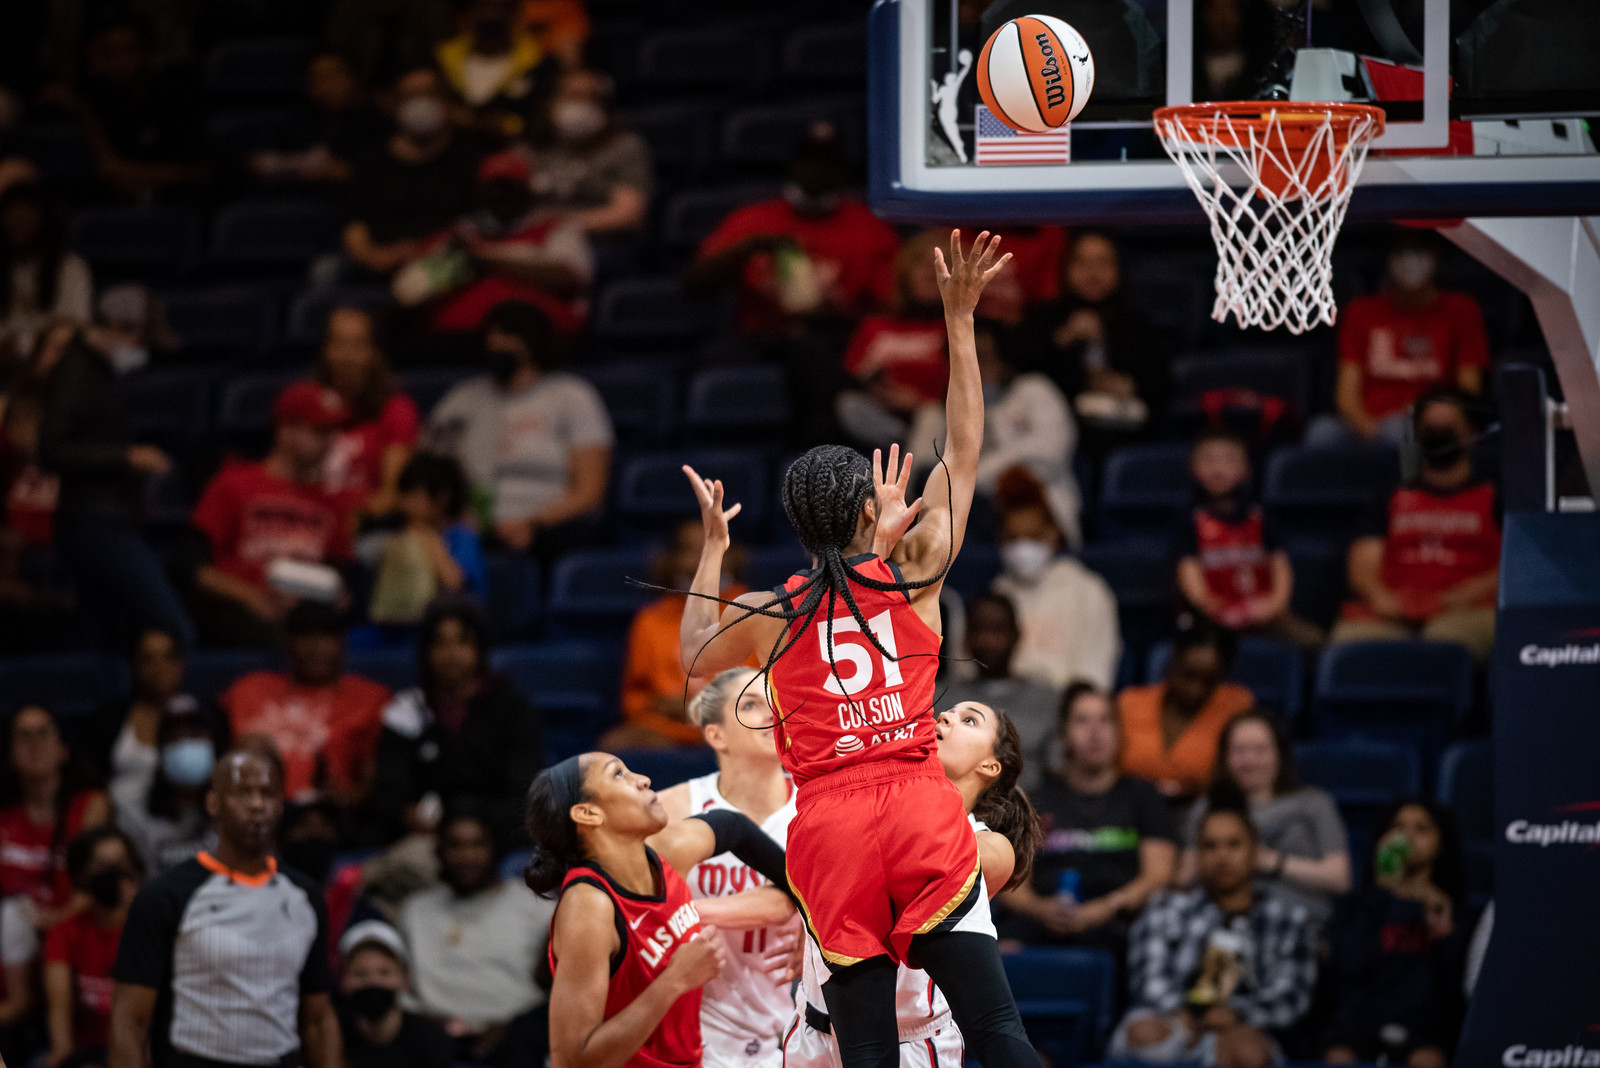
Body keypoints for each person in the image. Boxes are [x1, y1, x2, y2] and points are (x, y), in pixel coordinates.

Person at [677, 231, 1043, 1068]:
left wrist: (713, 550)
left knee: (865, 1053)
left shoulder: (771, 612)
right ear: (870, 509)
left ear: (798, 524)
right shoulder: (915, 575)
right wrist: (959, 321)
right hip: (916, 805)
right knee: (998, 1031)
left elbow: (693, 656)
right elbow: (963, 451)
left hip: (830, 823)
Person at [774, 700, 1041, 1068]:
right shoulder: (871, 807)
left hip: (911, 1043)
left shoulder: (991, 845)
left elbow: (917, 851)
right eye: (948, 711)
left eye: (969, 720)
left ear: (989, 766)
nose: (945, 716)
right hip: (812, 1032)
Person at [524, 751, 794, 1068]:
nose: (643, 779)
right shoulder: (589, 906)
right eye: (618, 774)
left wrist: (810, 917)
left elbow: (733, 826)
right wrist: (674, 980)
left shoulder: (667, 851)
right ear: (588, 813)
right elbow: (573, 1060)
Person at [107, 747, 341, 1068]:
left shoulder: (304, 896)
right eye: (242, 793)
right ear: (213, 803)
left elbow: (317, 1021)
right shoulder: (167, 895)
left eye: (267, 794)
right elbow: (129, 1021)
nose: (257, 804)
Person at [657, 668, 800, 1068]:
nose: (771, 713)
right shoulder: (671, 809)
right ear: (716, 735)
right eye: (751, 705)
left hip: (793, 1021)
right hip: (696, 1021)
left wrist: (816, 928)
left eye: (776, 703)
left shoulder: (817, 804)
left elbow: (800, 900)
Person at [1111, 803, 1316, 1068]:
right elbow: (1149, 985)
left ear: (1254, 851)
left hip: (1244, 1027)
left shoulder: (1287, 919)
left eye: (1233, 845)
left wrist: (1236, 1014)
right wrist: (1193, 1013)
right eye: (1210, 846)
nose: (1222, 856)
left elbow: (1290, 998)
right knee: (1144, 1032)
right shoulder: (1165, 908)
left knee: (1248, 1052)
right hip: (1172, 1024)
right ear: (1197, 854)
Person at [39, 328, 193, 649]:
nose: (138, 347)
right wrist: (126, 456)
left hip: (109, 518)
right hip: (96, 523)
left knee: (104, 641)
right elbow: (52, 451)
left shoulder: (101, 377)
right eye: (135, 335)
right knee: (174, 630)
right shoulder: (76, 372)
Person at [997, 683, 1175, 958]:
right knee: (1004, 948)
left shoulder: (1143, 796)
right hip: (1042, 921)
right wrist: (1040, 909)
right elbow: (1010, 884)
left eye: (1105, 720)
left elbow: (1158, 876)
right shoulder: (1036, 799)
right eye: (1082, 721)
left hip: (1119, 922)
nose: (1095, 732)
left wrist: (1105, 907)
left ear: (1119, 731)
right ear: (1063, 735)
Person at [424, 301, 612, 559]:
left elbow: (590, 492)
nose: (496, 343)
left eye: (508, 335)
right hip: (468, 527)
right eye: (491, 335)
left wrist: (534, 523)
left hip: (549, 527)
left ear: (533, 341)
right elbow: (426, 470)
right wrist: (455, 518)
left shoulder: (571, 396)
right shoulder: (462, 399)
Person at [1330, 388, 1500, 661]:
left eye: (1446, 428)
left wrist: (1467, 595)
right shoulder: (1392, 495)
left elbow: (1515, 567)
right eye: (1429, 429)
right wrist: (1381, 598)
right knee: (1348, 643)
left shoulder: (1496, 496)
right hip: (1395, 611)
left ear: (1471, 433)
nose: (1437, 436)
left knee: (1443, 642)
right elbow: (1363, 564)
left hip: (1468, 611)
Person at [686, 125, 898, 337]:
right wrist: (747, 248)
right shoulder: (752, 221)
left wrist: (835, 310)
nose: (817, 170)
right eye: (809, 160)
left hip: (838, 340)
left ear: (842, 169)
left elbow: (894, 304)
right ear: (793, 163)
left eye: (828, 162)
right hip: (761, 340)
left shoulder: (871, 228)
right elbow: (693, 283)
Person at [363, 598, 544, 846]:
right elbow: (387, 795)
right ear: (426, 652)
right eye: (440, 643)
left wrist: (474, 823)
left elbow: (524, 794)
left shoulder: (513, 712)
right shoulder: (406, 711)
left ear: (480, 649)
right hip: (423, 843)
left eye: (462, 642)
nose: (451, 654)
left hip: (495, 841)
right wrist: (407, 815)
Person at [191, 381, 355, 649]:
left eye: (332, 432)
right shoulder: (233, 484)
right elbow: (193, 569)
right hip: (241, 615)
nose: (329, 441)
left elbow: (338, 572)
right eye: (319, 431)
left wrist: (338, 596)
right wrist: (251, 597)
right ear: (285, 432)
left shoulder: (331, 502)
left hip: (305, 619)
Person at [395, 802, 552, 1063]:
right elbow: (395, 984)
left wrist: (513, 1026)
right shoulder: (415, 911)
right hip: (431, 1038)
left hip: (517, 1038)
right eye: (455, 845)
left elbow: (562, 989)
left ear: (495, 848)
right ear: (438, 851)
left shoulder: (538, 908)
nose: (467, 856)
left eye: (478, 844)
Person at [1310, 231, 1489, 448]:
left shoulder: (1461, 310)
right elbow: (1346, 397)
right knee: (1321, 432)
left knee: (1399, 431)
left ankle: (1406, 465)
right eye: (1402, 250)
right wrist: (1373, 434)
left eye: (1418, 249)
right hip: (1368, 424)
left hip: (1429, 427)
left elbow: (1468, 391)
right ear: (1389, 257)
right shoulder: (1361, 311)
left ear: (1435, 254)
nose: (1409, 259)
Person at [1322, 800, 1466, 1068]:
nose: (1407, 836)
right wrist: (1383, 891)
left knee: (1429, 1061)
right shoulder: (1356, 906)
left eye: (1421, 829)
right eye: (1397, 827)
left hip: (1424, 1030)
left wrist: (1443, 932)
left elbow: (1454, 991)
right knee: (1339, 1057)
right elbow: (1347, 968)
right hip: (1359, 1025)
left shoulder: (1449, 908)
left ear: (1440, 844)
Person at [1177, 711, 1351, 929]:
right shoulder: (1206, 808)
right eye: (1239, 751)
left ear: (1280, 754)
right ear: (1224, 756)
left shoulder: (1313, 802)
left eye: (1260, 750)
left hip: (1299, 919)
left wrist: (1273, 862)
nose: (1249, 760)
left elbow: (1341, 879)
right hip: (1220, 921)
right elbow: (1186, 877)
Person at [396, 150, 593, 336]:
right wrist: (447, 263)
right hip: (454, 339)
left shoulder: (554, 228)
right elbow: (407, 287)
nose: (500, 196)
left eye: (508, 188)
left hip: (532, 339)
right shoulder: (460, 233)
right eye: (493, 188)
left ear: (526, 191)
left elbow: (568, 278)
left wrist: (485, 261)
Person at [221, 601, 390, 805]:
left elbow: (374, 783)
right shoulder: (248, 689)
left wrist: (348, 801)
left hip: (327, 813)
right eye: (305, 635)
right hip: (252, 809)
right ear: (287, 641)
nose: (316, 647)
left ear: (343, 642)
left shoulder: (369, 698)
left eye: (327, 635)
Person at [1018, 230, 1170, 452]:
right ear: (1066, 267)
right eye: (1082, 262)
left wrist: (1131, 385)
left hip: (1123, 429)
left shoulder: (1136, 322)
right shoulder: (1044, 317)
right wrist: (1063, 339)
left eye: (1102, 263)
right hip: (1060, 429)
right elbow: (1022, 375)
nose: (1092, 273)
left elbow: (1163, 383)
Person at [1175, 428, 1321, 647]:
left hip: (1264, 614)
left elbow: (1280, 565)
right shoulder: (1188, 518)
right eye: (1209, 460)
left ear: (1245, 469)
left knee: (1313, 641)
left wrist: (1273, 605)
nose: (1218, 469)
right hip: (1211, 620)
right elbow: (1189, 573)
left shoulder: (1261, 514)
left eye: (1229, 460)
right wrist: (1208, 605)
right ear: (1193, 467)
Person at [612, 521, 748, 749]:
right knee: (616, 745)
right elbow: (636, 697)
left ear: (733, 556)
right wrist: (667, 708)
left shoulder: (753, 613)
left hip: (735, 728)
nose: (702, 560)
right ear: (672, 560)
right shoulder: (650, 620)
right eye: (690, 550)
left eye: (713, 549)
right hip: (667, 729)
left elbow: (761, 691)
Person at [342, 67, 480, 279]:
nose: (420, 103)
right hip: (379, 269)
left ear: (447, 102)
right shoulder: (371, 161)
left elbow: (476, 227)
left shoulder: (470, 160)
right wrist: (373, 257)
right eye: (411, 96)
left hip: (446, 267)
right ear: (395, 104)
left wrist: (427, 251)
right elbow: (355, 226)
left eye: (429, 94)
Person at [990, 466, 1120, 689]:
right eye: (1013, 538)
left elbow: (1096, 674)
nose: (1023, 547)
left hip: (1066, 704)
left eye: (1032, 536)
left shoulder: (1087, 590)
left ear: (1052, 534)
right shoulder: (996, 595)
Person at [834, 230, 954, 453]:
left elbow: (974, 386)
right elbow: (851, 379)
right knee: (848, 405)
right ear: (906, 273)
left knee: (931, 417)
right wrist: (880, 393)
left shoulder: (960, 326)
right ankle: (907, 444)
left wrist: (919, 402)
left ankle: (915, 467)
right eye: (923, 264)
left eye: (942, 265)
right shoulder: (876, 325)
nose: (931, 272)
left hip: (938, 415)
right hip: (885, 419)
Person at [83, 629, 219, 818]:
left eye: (168, 657)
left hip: (190, 826)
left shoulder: (207, 716)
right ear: (133, 665)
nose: (159, 667)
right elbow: (90, 779)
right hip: (120, 827)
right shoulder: (108, 719)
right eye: (148, 658)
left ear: (181, 663)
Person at [1117, 619, 1254, 803]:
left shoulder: (1236, 707)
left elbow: (1239, 777)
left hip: (1201, 810)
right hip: (1129, 808)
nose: (1195, 690)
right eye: (1188, 675)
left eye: (1209, 681)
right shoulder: (1130, 703)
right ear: (1173, 660)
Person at [74, 15, 209, 201]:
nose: (120, 60)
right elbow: (108, 170)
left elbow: (196, 172)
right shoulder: (95, 99)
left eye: (129, 50)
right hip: (117, 203)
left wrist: (134, 175)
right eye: (110, 52)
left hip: (178, 201)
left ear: (148, 52)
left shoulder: (177, 94)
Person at [0, 705, 111, 925]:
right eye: (24, 736)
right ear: (10, 755)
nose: (35, 744)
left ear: (63, 750)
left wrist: (48, 923)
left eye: (44, 733)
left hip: (72, 931)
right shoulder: (4, 815)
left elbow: (94, 889)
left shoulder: (92, 806)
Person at [45, 826, 144, 1067]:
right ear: (81, 875)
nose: (115, 874)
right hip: (84, 1055)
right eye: (103, 866)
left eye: (121, 863)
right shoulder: (65, 933)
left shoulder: (149, 931)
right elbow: (59, 1021)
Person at [939, 594, 1061, 789]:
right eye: (979, 629)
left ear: (1016, 635)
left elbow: (1060, 776)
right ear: (965, 637)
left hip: (1031, 803)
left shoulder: (1047, 700)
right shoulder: (941, 698)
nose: (988, 640)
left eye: (998, 630)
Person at [316, 305, 419, 521]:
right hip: (309, 521)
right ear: (325, 351)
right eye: (339, 344)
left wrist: (340, 520)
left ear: (374, 354)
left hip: (367, 525)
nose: (347, 356)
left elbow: (392, 496)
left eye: (358, 346)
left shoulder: (396, 409)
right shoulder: (308, 405)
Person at [523, 68, 652, 234]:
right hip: (529, 237)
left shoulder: (624, 146)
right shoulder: (531, 145)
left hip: (595, 239)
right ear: (551, 100)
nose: (583, 103)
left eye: (593, 97)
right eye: (574, 95)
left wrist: (560, 223)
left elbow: (628, 214)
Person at [367, 452, 488, 627]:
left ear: (443, 498)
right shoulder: (400, 533)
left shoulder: (462, 537)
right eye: (404, 495)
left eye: (415, 496)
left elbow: (454, 584)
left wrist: (429, 539)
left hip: (453, 625)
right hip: (398, 624)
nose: (406, 504)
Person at [115, 706, 224, 876]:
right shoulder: (136, 815)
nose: (186, 745)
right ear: (160, 751)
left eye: (195, 735)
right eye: (176, 738)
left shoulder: (230, 810)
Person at [248, 52, 386, 187]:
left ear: (354, 78)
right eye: (317, 78)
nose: (326, 86)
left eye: (333, 76)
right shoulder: (297, 119)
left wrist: (349, 171)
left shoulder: (375, 121)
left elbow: (377, 168)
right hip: (293, 193)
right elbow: (257, 158)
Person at [336, 920, 454, 1068]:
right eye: (361, 973)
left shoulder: (431, 1038)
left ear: (405, 978)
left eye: (384, 972)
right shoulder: (330, 1036)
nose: (373, 982)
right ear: (343, 980)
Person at [0, 181, 91, 364]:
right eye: (12, 212)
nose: (19, 220)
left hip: (54, 361)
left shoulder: (70, 267)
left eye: (28, 211)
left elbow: (74, 324)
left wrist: (42, 352)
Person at [434, 0, 548, 139]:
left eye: (496, 7)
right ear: (468, 14)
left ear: (513, 14)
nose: (488, 15)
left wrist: (508, 125)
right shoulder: (444, 60)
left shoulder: (534, 63)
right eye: (482, 7)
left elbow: (537, 119)